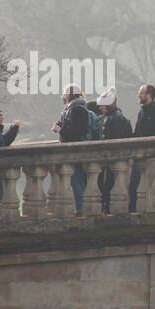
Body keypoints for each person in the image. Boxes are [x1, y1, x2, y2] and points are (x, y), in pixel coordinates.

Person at [54, 85, 95, 213]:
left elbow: (78, 131)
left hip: (75, 150)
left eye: (65, 93)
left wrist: (61, 130)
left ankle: (81, 209)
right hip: (72, 149)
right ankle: (81, 208)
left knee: (76, 181)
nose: (63, 96)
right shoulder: (72, 108)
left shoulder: (77, 109)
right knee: (77, 180)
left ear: (69, 95)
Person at [129, 83, 155, 213]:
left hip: (151, 156)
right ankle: (133, 210)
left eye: (141, 92)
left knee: (150, 185)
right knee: (134, 185)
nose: (139, 95)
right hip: (139, 155)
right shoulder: (142, 112)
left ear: (149, 95)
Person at [96, 89, 133, 212]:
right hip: (116, 160)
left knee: (109, 185)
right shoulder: (118, 117)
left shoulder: (114, 119)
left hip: (113, 160)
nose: (100, 108)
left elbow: (115, 141)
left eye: (102, 105)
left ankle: (108, 209)